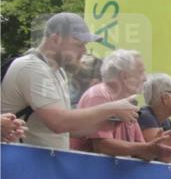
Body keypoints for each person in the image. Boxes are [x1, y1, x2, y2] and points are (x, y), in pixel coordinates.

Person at [1, 12, 138, 149]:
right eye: (79, 44)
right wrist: (112, 108)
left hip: (35, 160)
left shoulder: (58, 72)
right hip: (19, 160)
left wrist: (107, 125)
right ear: (55, 40)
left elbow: (66, 130)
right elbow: (58, 123)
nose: (84, 50)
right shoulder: (32, 68)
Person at [71, 50, 171, 160]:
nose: (145, 78)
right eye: (141, 72)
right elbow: (102, 146)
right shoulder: (98, 95)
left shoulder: (128, 105)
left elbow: (143, 154)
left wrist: (158, 145)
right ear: (125, 76)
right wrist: (148, 147)